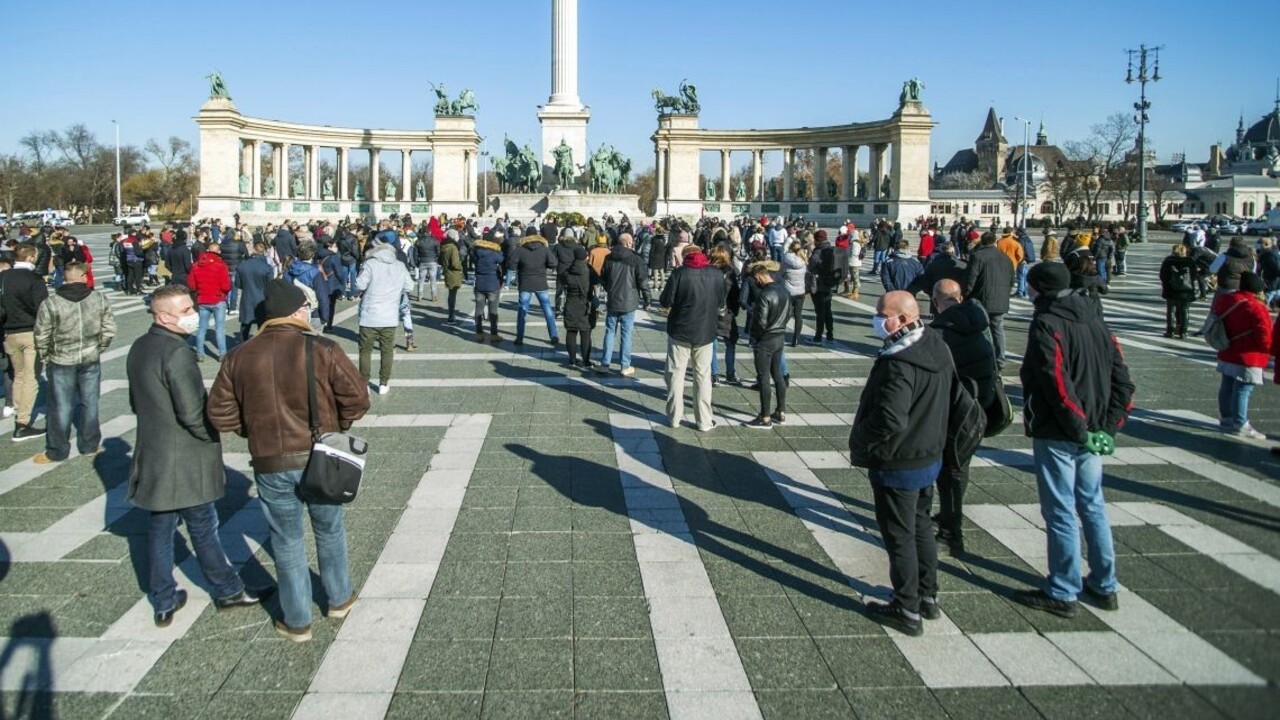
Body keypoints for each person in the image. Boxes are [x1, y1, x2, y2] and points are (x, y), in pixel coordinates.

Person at [208, 280, 370, 642]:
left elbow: (219, 414)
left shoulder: (239, 355)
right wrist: (336, 426)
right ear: (297, 312)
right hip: (320, 458)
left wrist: (252, 431)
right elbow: (358, 399)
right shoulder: (322, 348)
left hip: (269, 461)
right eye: (305, 308)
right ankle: (339, 598)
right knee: (329, 531)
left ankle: (297, 620)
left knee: (286, 540)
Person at [127, 285, 267, 627]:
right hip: (185, 456)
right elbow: (192, 411)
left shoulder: (140, 346)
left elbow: (136, 402)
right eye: (186, 310)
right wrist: (212, 436)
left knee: (161, 527)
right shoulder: (177, 353)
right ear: (163, 316)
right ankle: (228, 589)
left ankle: (162, 598)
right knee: (203, 524)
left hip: (154, 450)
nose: (192, 315)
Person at [1014, 263, 1134, 618]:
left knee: (1061, 511)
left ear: (1039, 290)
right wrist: (1107, 428)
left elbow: (1055, 383)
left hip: (1061, 430)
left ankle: (1063, 590)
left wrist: (1080, 427)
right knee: (1093, 506)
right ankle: (1104, 583)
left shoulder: (1047, 323)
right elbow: (1123, 382)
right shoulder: (1098, 320)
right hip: (1093, 428)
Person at [849, 291, 953, 636]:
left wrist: (860, 437)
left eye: (883, 314)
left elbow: (890, 418)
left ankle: (907, 607)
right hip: (929, 452)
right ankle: (928, 595)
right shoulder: (934, 345)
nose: (877, 319)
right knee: (921, 524)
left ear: (904, 319)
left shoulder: (899, 363)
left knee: (899, 535)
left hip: (899, 459)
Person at [927, 279, 997, 555]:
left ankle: (950, 534)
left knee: (950, 473)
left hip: (957, 412)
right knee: (958, 469)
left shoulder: (943, 332)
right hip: (979, 409)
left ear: (935, 301)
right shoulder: (978, 323)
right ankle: (947, 517)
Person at [32, 262, 114, 464]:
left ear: (65, 278)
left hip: (61, 359)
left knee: (61, 406)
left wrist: (45, 356)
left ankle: (57, 450)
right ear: (84, 277)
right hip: (90, 357)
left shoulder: (52, 302)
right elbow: (109, 329)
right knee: (90, 402)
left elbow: (41, 335)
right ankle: (89, 445)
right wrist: (99, 348)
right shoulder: (99, 298)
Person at [660, 245, 725, 432]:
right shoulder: (716, 274)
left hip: (680, 331)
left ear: (685, 257)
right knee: (703, 376)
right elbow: (721, 302)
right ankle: (704, 421)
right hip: (705, 332)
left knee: (675, 375)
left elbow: (665, 301)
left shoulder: (679, 273)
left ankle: (673, 417)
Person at [1211, 272, 1271, 440]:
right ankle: (1240, 423)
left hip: (1228, 348)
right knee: (1243, 388)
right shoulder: (1256, 307)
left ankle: (1227, 418)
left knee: (1227, 384)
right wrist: (1269, 350)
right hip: (1248, 354)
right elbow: (1264, 335)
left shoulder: (1227, 300)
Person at [1, 244, 49, 440]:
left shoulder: (3, 277)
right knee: (31, 378)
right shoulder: (34, 278)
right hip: (30, 332)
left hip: (8, 334)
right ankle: (22, 423)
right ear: (30, 257)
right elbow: (43, 309)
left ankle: (17, 412)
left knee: (19, 375)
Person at [356, 239, 413, 394]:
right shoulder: (400, 266)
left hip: (369, 315)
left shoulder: (369, 264)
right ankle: (383, 383)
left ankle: (364, 383)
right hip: (389, 316)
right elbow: (410, 286)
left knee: (365, 351)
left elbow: (359, 285)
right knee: (387, 350)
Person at [743, 261, 790, 428]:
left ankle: (764, 417)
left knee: (763, 377)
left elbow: (760, 322)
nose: (757, 283)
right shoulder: (784, 290)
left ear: (759, 276)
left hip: (766, 339)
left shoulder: (765, 294)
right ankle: (781, 411)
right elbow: (789, 313)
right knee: (778, 375)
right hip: (780, 336)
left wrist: (755, 337)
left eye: (756, 279)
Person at [961, 232, 1014, 369]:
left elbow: (971, 279)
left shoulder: (978, 256)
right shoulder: (1005, 257)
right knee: (998, 330)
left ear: (982, 242)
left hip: (982, 298)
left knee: (981, 330)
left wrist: (965, 295)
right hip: (1001, 299)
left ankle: (984, 358)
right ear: (995, 242)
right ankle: (1000, 359)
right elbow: (1012, 280)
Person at [596, 233, 647, 375]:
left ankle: (605, 363)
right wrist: (647, 298)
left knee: (610, 331)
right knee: (626, 333)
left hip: (613, 299)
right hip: (629, 300)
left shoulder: (609, 257)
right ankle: (625, 365)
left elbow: (603, 278)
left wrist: (609, 290)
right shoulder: (636, 259)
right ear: (629, 243)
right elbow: (642, 280)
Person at [511, 228, 559, 347]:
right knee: (547, 309)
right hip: (540, 282)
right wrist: (544, 265)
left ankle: (520, 337)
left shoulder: (520, 249)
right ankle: (553, 335)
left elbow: (511, 264)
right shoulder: (544, 248)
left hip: (525, 283)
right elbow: (554, 263)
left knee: (522, 310)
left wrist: (520, 267)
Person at [187, 243, 232, 362]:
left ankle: (200, 353)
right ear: (218, 252)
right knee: (220, 328)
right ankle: (222, 354)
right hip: (218, 299)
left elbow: (191, 285)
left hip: (203, 299)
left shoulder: (196, 265)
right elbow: (226, 286)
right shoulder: (221, 265)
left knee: (202, 328)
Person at [562, 245, 596, 368]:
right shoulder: (589, 270)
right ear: (585, 257)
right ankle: (586, 361)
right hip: (585, 305)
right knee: (585, 333)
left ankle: (572, 360)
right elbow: (597, 280)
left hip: (571, 303)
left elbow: (562, 281)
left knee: (571, 332)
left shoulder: (567, 270)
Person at [470, 230, 505, 343]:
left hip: (479, 283)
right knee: (493, 310)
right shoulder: (494, 253)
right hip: (492, 283)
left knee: (479, 309)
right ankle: (494, 334)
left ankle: (479, 333)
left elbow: (472, 257)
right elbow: (501, 259)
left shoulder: (476, 251)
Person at [806, 230, 839, 343]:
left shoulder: (818, 252)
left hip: (819, 285)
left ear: (817, 240)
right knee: (828, 310)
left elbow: (810, 266)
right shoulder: (831, 249)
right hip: (830, 285)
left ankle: (818, 336)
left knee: (819, 311)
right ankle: (830, 334)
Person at [236, 242, 275, 341]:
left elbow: (238, 284)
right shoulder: (267, 268)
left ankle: (242, 347)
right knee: (262, 327)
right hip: (261, 300)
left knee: (245, 326)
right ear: (264, 252)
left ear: (254, 250)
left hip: (247, 298)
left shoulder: (242, 266)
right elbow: (270, 286)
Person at [1158, 244, 1198, 338]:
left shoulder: (1168, 261)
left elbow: (1162, 275)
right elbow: (1194, 276)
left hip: (1170, 290)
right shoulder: (1190, 261)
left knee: (1170, 310)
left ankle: (1170, 331)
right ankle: (1183, 332)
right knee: (1185, 310)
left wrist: (1168, 283)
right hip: (1186, 290)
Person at [781, 241, 808, 347]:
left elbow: (780, 273)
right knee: (798, 315)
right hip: (800, 291)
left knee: (785, 314)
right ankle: (796, 338)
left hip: (788, 291)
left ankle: (780, 332)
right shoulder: (803, 260)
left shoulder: (786, 259)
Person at [440, 229, 465, 324]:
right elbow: (455, 263)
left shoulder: (444, 245)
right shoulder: (453, 247)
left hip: (447, 272)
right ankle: (451, 316)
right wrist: (461, 266)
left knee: (451, 294)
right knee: (453, 295)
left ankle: (451, 314)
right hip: (454, 273)